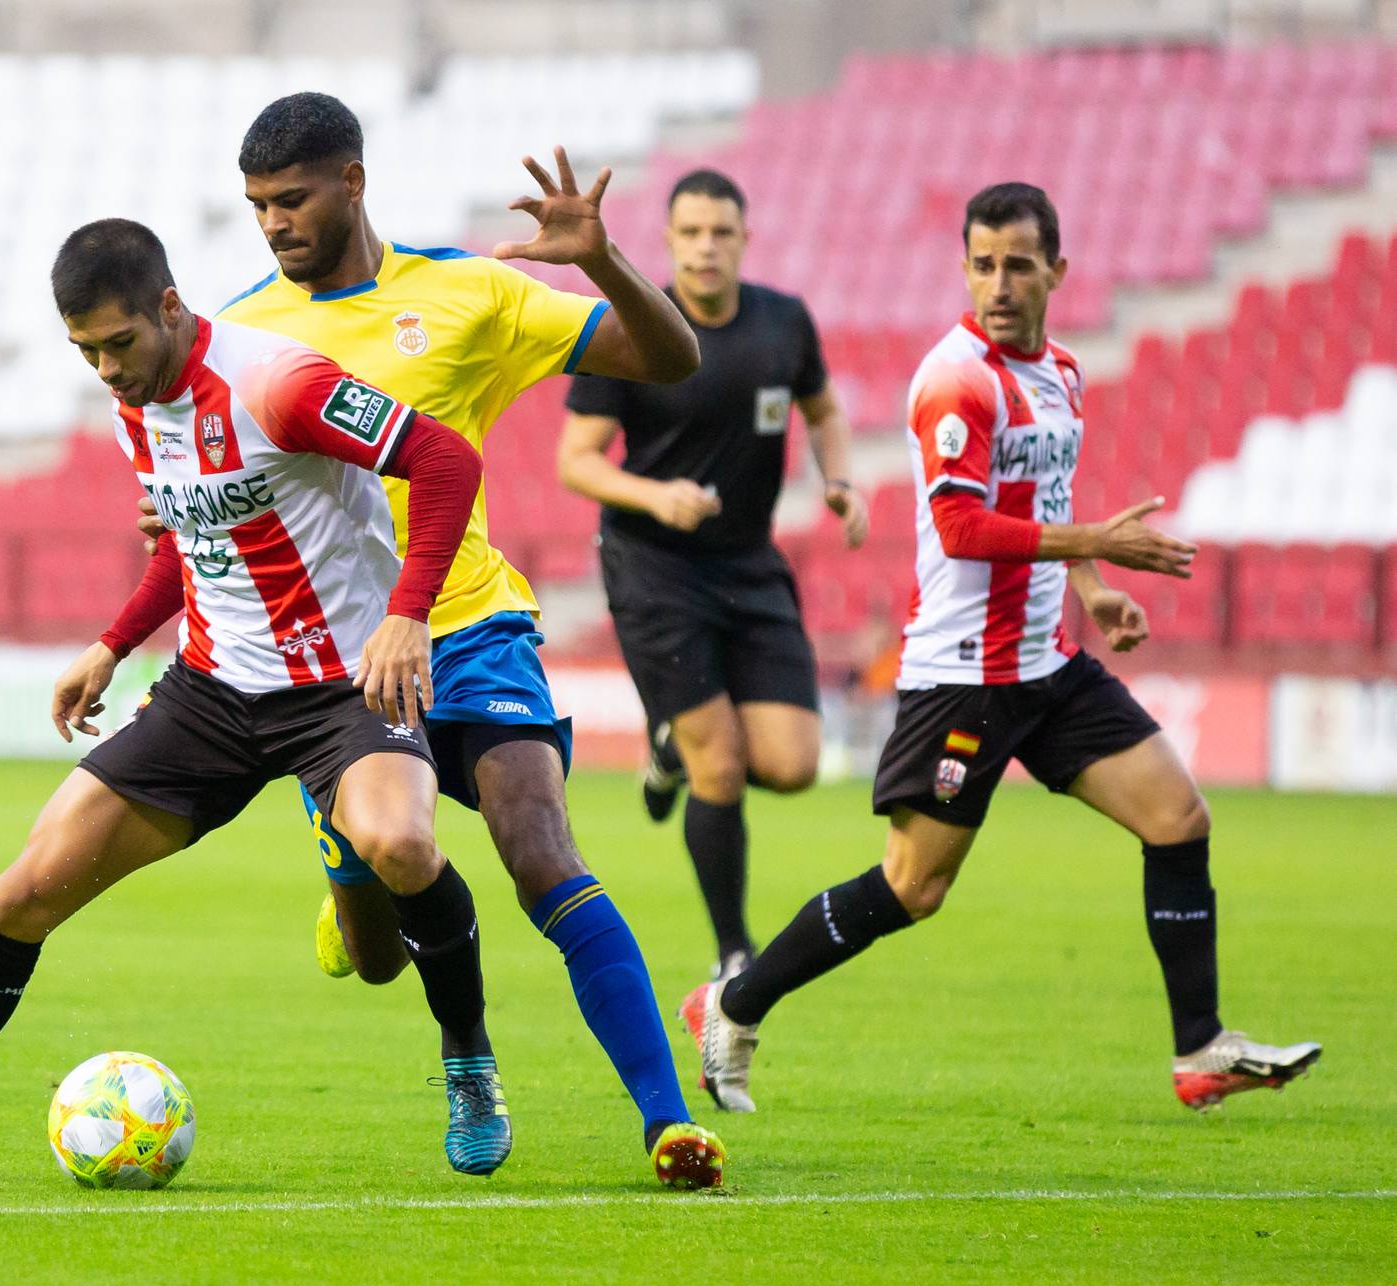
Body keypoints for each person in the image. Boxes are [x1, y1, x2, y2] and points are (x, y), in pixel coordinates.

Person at [0, 218, 517, 1183]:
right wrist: (111, 644)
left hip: (343, 688)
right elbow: (195, 541)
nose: (105, 368)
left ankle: (469, 1065)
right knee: (22, 891)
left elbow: (445, 461)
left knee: (399, 846)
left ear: (171, 310)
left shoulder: (282, 383)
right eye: (85, 351)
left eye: (117, 342)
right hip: (211, 693)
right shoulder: (135, 401)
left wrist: (407, 614)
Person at [682, 183, 1320, 1113]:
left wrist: (1095, 592)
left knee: (1178, 819)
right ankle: (732, 1005)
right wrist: (1101, 543)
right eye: (982, 265)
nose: (998, 283)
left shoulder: (1060, 371)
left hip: (1047, 665)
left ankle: (1199, 1050)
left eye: (1018, 265)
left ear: (1056, 271)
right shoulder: (954, 380)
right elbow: (964, 527)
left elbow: (1045, 503)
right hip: (963, 678)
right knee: (912, 887)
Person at [182, 92, 722, 1185]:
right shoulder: (239, 336)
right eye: (257, 207)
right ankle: (427, 987)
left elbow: (671, 361)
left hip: (470, 626)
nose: (275, 223)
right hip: (336, 666)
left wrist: (606, 262)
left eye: (291, 200)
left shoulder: (466, 292)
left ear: (353, 183)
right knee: (377, 950)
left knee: (542, 850)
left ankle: (668, 1123)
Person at [556, 168, 864, 978]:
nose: (704, 247)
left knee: (793, 765)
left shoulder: (783, 323)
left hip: (749, 562)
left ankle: (668, 746)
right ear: (666, 241)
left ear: (742, 238)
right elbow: (577, 463)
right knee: (719, 765)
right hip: (652, 565)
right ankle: (734, 953)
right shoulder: (630, 329)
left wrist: (838, 480)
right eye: (689, 232)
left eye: (719, 232)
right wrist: (655, 496)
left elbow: (824, 409)